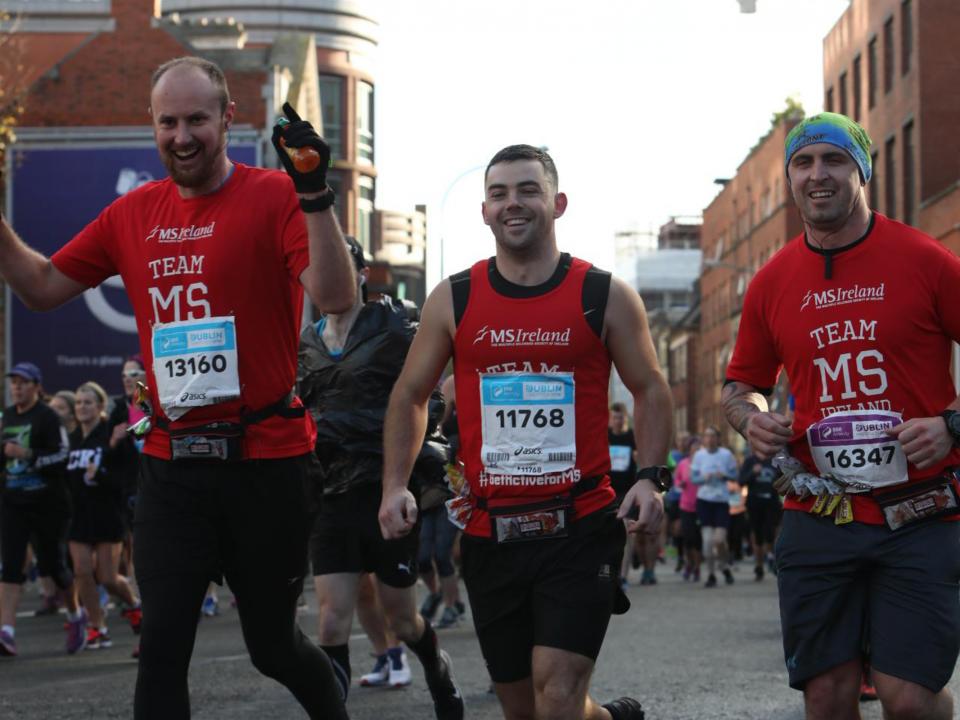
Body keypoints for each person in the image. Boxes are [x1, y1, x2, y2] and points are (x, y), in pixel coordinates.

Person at [0, 56, 355, 718]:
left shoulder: (275, 195)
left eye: (197, 120)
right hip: (172, 467)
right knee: (161, 649)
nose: (182, 136)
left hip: (266, 466)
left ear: (227, 118)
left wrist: (314, 192)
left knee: (273, 647)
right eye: (168, 123)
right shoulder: (130, 214)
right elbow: (42, 287)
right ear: (153, 125)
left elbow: (336, 298)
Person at [380, 144, 673, 720]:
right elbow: (410, 395)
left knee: (557, 694)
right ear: (485, 212)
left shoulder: (603, 295)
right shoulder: (454, 298)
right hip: (491, 531)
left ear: (557, 203)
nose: (512, 203)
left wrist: (650, 477)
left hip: (580, 524)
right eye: (499, 194)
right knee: (524, 709)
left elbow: (651, 388)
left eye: (528, 190)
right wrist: (394, 485)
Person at [723, 111, 960, 720]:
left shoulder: (925, 259)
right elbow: (741, 387)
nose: (817, 174)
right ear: (790, 179)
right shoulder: (771, 282)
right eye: (802, 163)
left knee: (908, 699)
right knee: (826, 697)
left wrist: (951, 424)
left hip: (920, 511)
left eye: (834, 160)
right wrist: (752, 418)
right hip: (819, 512)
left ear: (862, 172)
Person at [298, 236, 463, 718]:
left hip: (386, 491)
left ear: (361, 274)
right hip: (331, 494)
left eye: (338, 267)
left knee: (403, 621)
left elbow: (425, 397)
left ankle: (436, 666)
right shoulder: (306, 343)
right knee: (331, 622)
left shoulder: (393, 326)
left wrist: (412, 467)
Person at [0, 362, 86, 656]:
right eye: (13, 382)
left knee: (54, 567)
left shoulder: (48, 417)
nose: (17, 388)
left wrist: (28, 454)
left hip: (47, 503)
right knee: (11, 567)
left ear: (37, 386)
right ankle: (6, 632)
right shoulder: (7, 416)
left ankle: (75, 614)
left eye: (23, 382)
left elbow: (62, 455)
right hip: (14, 502)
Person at [66, 381, 142, 649]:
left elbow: (126, 478)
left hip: (108, 513)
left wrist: (100, 473)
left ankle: (133, 604)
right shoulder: (72, 438)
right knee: (82, 572)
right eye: (78, 402)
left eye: (87, 402)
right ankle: (97, 626)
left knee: (107, 578)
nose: (82, 407)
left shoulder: (112, 434)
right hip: (79, 515)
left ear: (100, 406)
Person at [690, 426, 737, 587]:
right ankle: (711, 575)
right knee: (707, 543)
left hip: (721, 501)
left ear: (718, 438)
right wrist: (704, 478)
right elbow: (693, 479)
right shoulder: (699, 455)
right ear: (703, 439)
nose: (709, 439)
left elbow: (735, 475)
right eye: (707, 436)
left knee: (719, 540)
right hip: (704, 501)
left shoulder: (726, 454)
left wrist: (725, 476)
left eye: (712, 436)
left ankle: (723, 566)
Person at [607, 402, 644, 586]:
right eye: (615, 418)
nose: (618, 421)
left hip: (628, 490)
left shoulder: (632, 437)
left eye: (621, 418)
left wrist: (638, 458)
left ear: (625, 419)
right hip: (608, 491)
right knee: (609, 534)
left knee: (628, 532)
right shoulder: (605, 436)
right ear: (610, 419)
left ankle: (623, 576)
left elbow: (642, 459)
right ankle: (611, 572)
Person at [738, 452, 781, 580]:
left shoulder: (775, 461)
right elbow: (741, 481)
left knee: (770, 532)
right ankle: (759, 566)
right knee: (757, 535)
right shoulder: (750, 461)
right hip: (754, 503)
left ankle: (771, 557)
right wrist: (752, 473)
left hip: (772, 502)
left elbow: (783, 481)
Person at [675, 435, 702, 582]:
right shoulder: (683, 464)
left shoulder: (705, 463)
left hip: (701, 505)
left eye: (699, 448)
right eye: (694, 447)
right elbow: (676, 481)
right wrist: (680, 484)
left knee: (697, 540)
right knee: (687, 538)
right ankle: (689, 564)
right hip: (685, 505)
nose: (696, 450)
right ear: (690, 449)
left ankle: (697, 568)